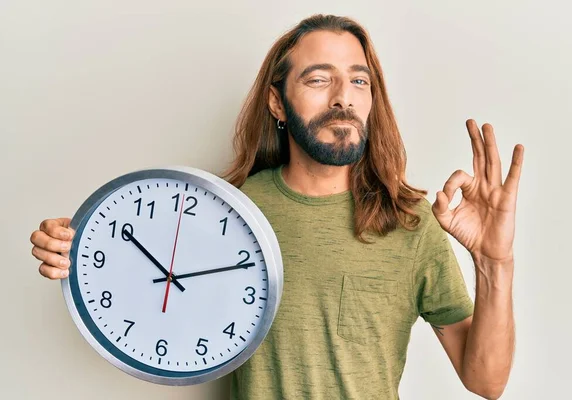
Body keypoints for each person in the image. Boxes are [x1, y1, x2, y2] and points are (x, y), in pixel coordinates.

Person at [30, 14, 524, 400]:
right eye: (317, 80)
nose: (342, 98)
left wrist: (493, 262)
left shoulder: (410, 223)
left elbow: (485, 381)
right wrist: (77, 250)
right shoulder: (225, 212)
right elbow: (157, 283)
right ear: (277, 103)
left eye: (358, 81)